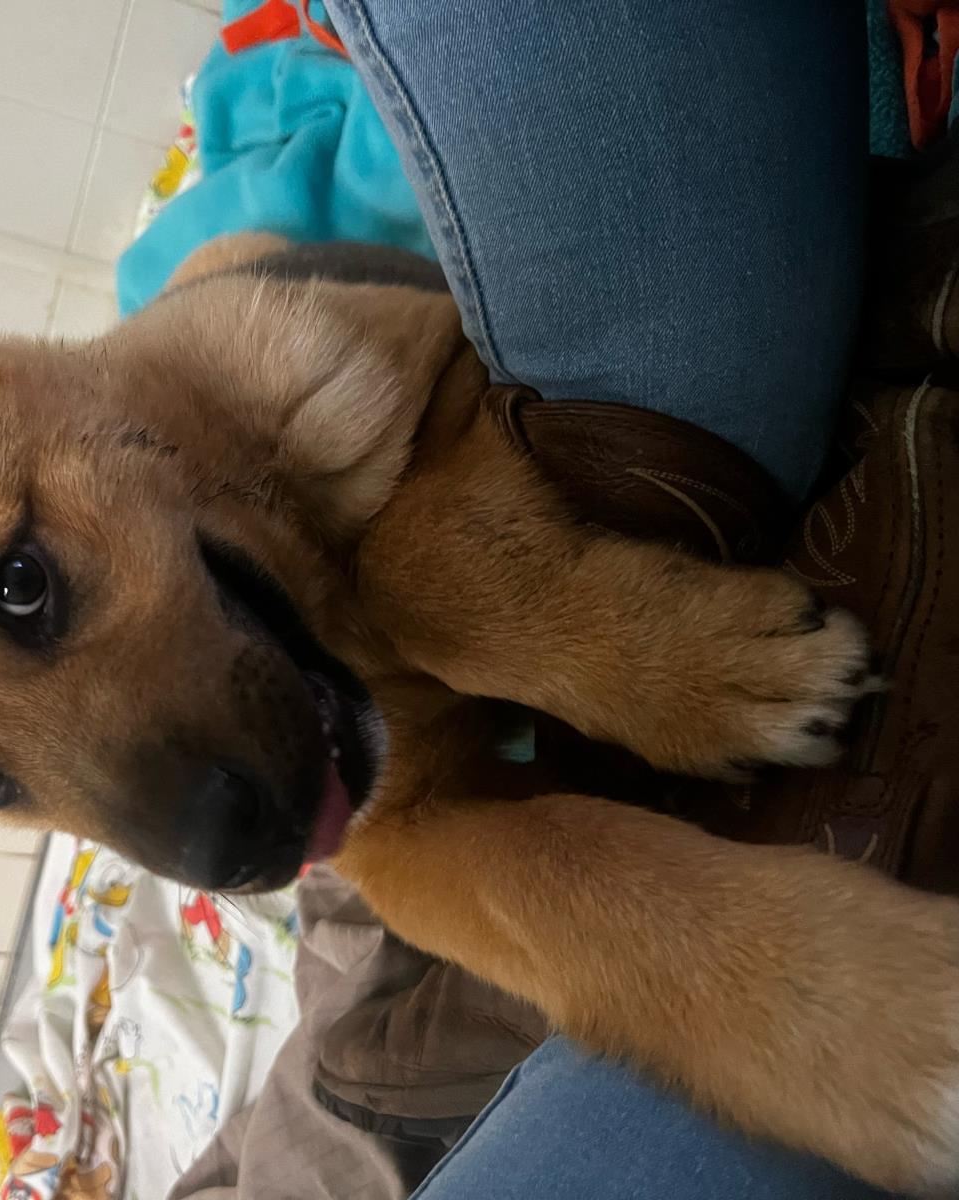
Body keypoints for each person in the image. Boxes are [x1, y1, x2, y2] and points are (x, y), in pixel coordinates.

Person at [318, 1, 952, 1196]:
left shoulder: (224, 358)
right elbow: (389, 844)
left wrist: (556, 623)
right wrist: (712, 967)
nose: (204, 856)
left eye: (20, 589)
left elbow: (434, 384)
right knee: (367, 1047)